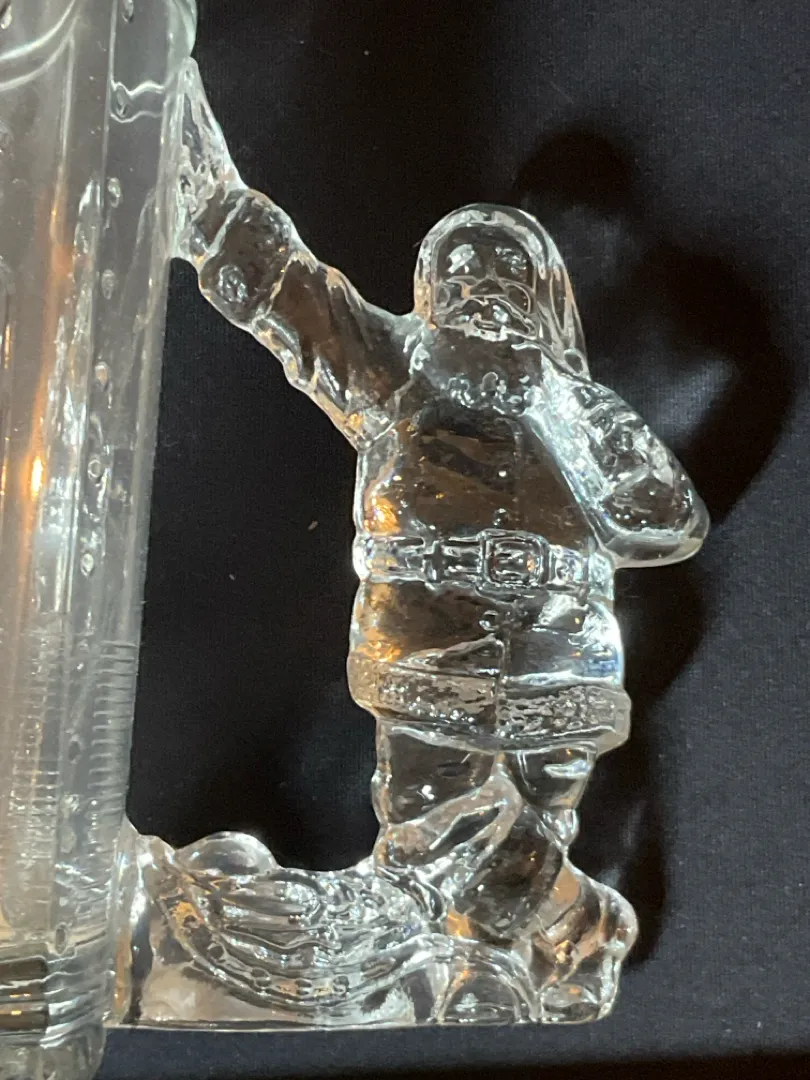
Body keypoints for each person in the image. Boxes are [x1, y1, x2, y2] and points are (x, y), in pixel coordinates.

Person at [174, 63, 708, 1021]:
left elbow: (667, 520)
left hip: (560, 659)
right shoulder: (398, 370)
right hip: (433, 648)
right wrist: (212, 211)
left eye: (503, 276)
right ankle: (575, 925)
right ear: (433, 291)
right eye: (462, 273)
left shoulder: (576, 404)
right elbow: (294, 296)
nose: (481, 291)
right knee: (439, 837)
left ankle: (507, 961)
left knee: (518, 837)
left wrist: (563, 408)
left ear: (539, 298)